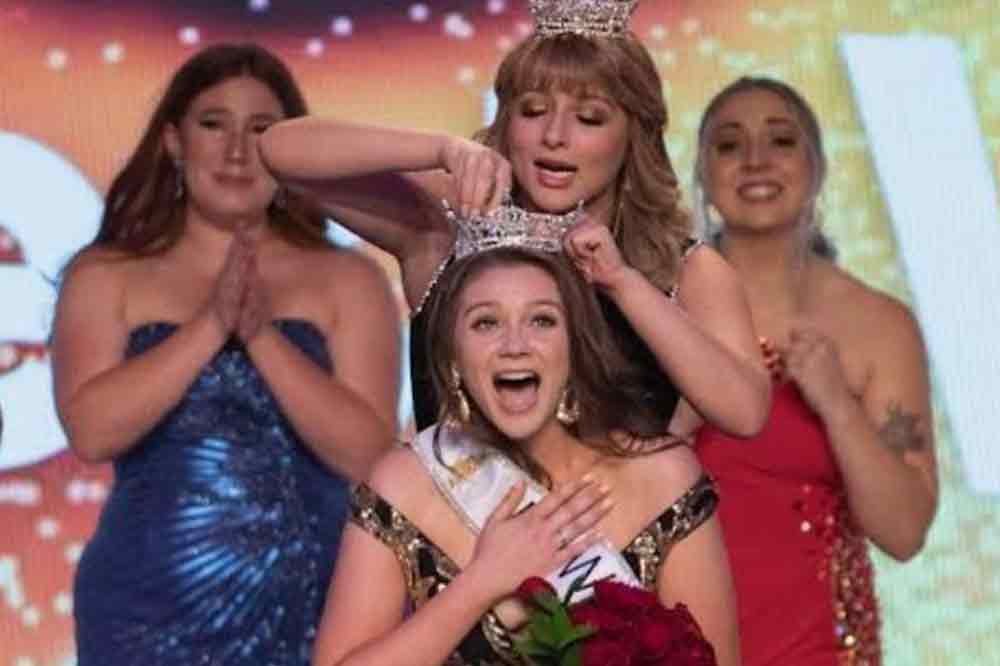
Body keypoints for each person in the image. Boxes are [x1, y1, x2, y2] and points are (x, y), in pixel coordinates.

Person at [258, 0, 769, 440]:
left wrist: (625, 285)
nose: (554, 135)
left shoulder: (684, 269)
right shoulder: (449, 223)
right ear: (506, 119)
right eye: (532, 110)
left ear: (634, 135)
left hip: (610, 551)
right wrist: (440, 149)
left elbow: (745, 413)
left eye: (588, 118)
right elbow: (280, 151)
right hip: (461, 550)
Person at [51, 43, 400, 665]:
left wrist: (263, 336)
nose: (237, 151)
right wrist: (210, 325)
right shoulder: (106, 275)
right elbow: (92, 431)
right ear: (173, 142)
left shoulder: (349, 280)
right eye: (214, 124)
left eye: (261, 130)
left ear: (291, 154)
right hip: (147, 608)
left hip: (320, 602)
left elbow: (370, 457)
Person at [310, 223, 741, 665]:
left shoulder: (663, 476)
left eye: (541, 320)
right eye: (486, 323)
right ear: (452, 355)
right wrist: (485, 582)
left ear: (575, 347)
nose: (514, 345)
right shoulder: (405, 483)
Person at [692, 76, 938, 665]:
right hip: (676, 639)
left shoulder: (879, 325)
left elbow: (904, 532)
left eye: (780, 141)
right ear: (702, 174)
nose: (755, 160)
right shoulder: (658, 307)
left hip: (821, 646)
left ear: (818, 167)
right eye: (729, 144)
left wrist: (837, 405)